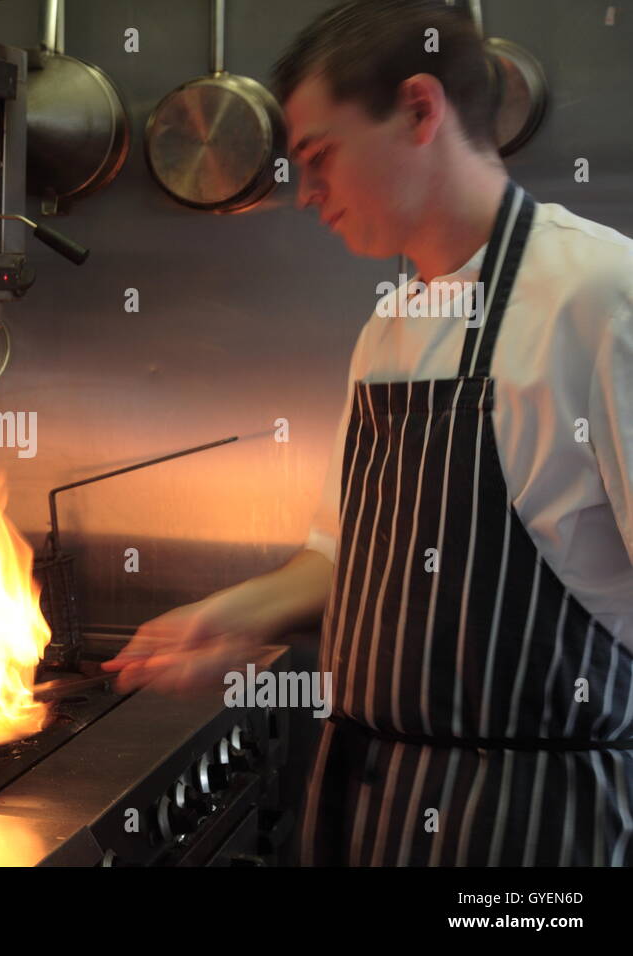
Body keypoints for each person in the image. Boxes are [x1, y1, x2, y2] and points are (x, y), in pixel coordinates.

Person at [104, 0, 633, 865]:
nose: (307, 192)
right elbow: (343, 552)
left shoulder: (600, 300)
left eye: (319, 156)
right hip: (369, 809)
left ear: (421, 110)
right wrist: (218, 615)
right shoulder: (389, 328)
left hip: (532, 832)